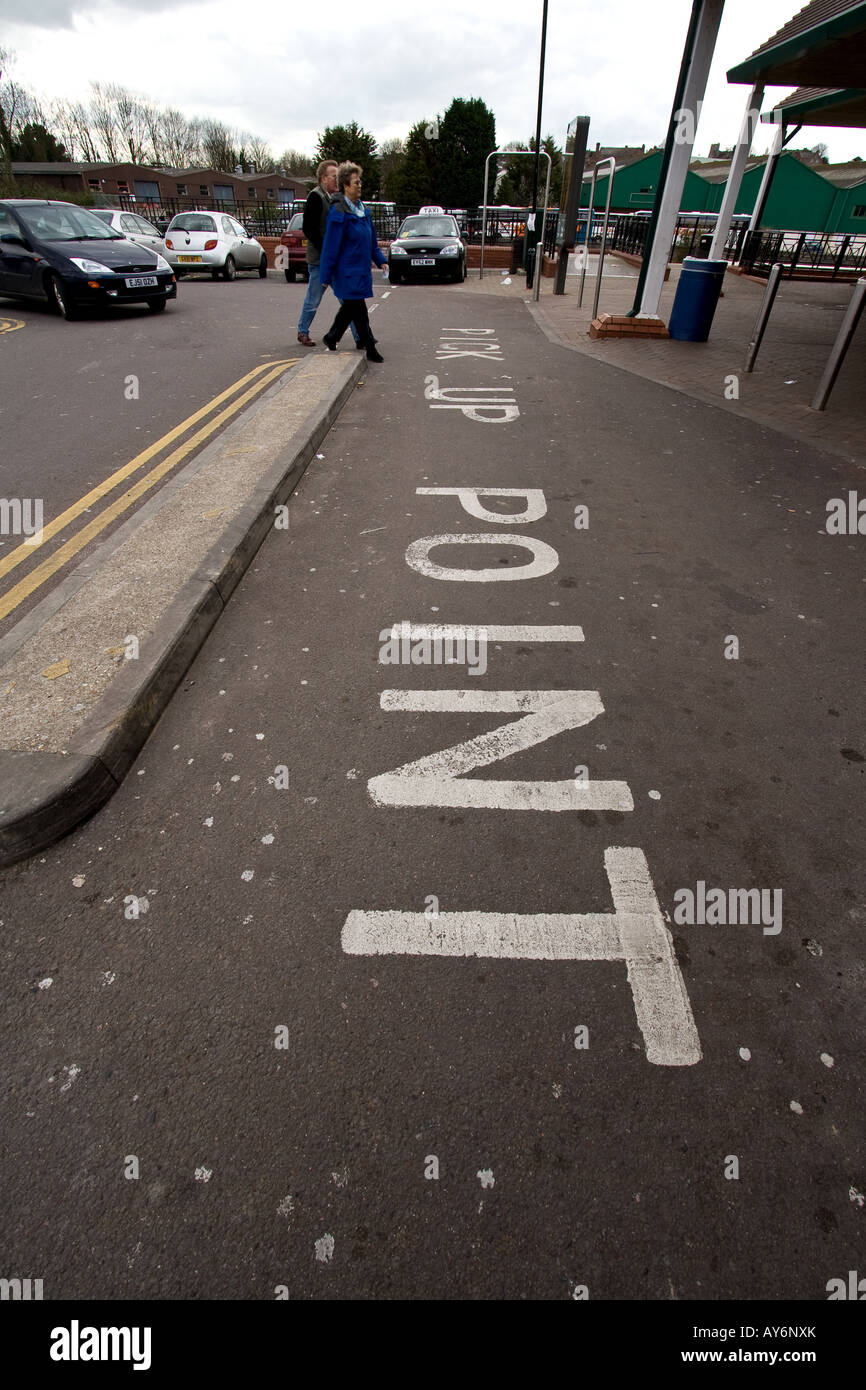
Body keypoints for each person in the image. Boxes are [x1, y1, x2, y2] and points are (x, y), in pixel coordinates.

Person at [319, 163, 387, 363]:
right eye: (356, 182)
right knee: (359, 309)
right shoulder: (338, 212)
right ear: (346, 186)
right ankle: (370, 347)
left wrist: (381, 260)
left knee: (350, 308)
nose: (360, 185)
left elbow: (371, 241)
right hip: (346, 271)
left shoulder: (363, 211)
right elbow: (330, 247)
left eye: (360, 181)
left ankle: (332, 336)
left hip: (361, 271)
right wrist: (325, 276)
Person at [296, 160, 360, 348]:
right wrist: (327, 249)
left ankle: (360, 336)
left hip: (335, 261)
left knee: (348, 300)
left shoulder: (334, 198)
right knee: (313, 299)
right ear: (324, 178)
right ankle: (303, 331)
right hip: (320, 262)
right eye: (334, 176)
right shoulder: (315, 197)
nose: (337, 180)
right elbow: (309, 229)